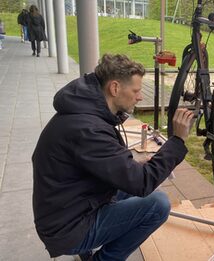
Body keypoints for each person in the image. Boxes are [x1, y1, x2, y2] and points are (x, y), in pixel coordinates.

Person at [32, 53, 195, 260]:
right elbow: (142, 183)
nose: (140, 96)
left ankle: (86, 250)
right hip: (67, 228)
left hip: (66, 207)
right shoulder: (88, 129)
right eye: (135, 90)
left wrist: (133, 166)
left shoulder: (83, 112)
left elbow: (100, 162)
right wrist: (178, 141)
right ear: (115, 88)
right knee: (158, 204)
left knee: (130, 186)